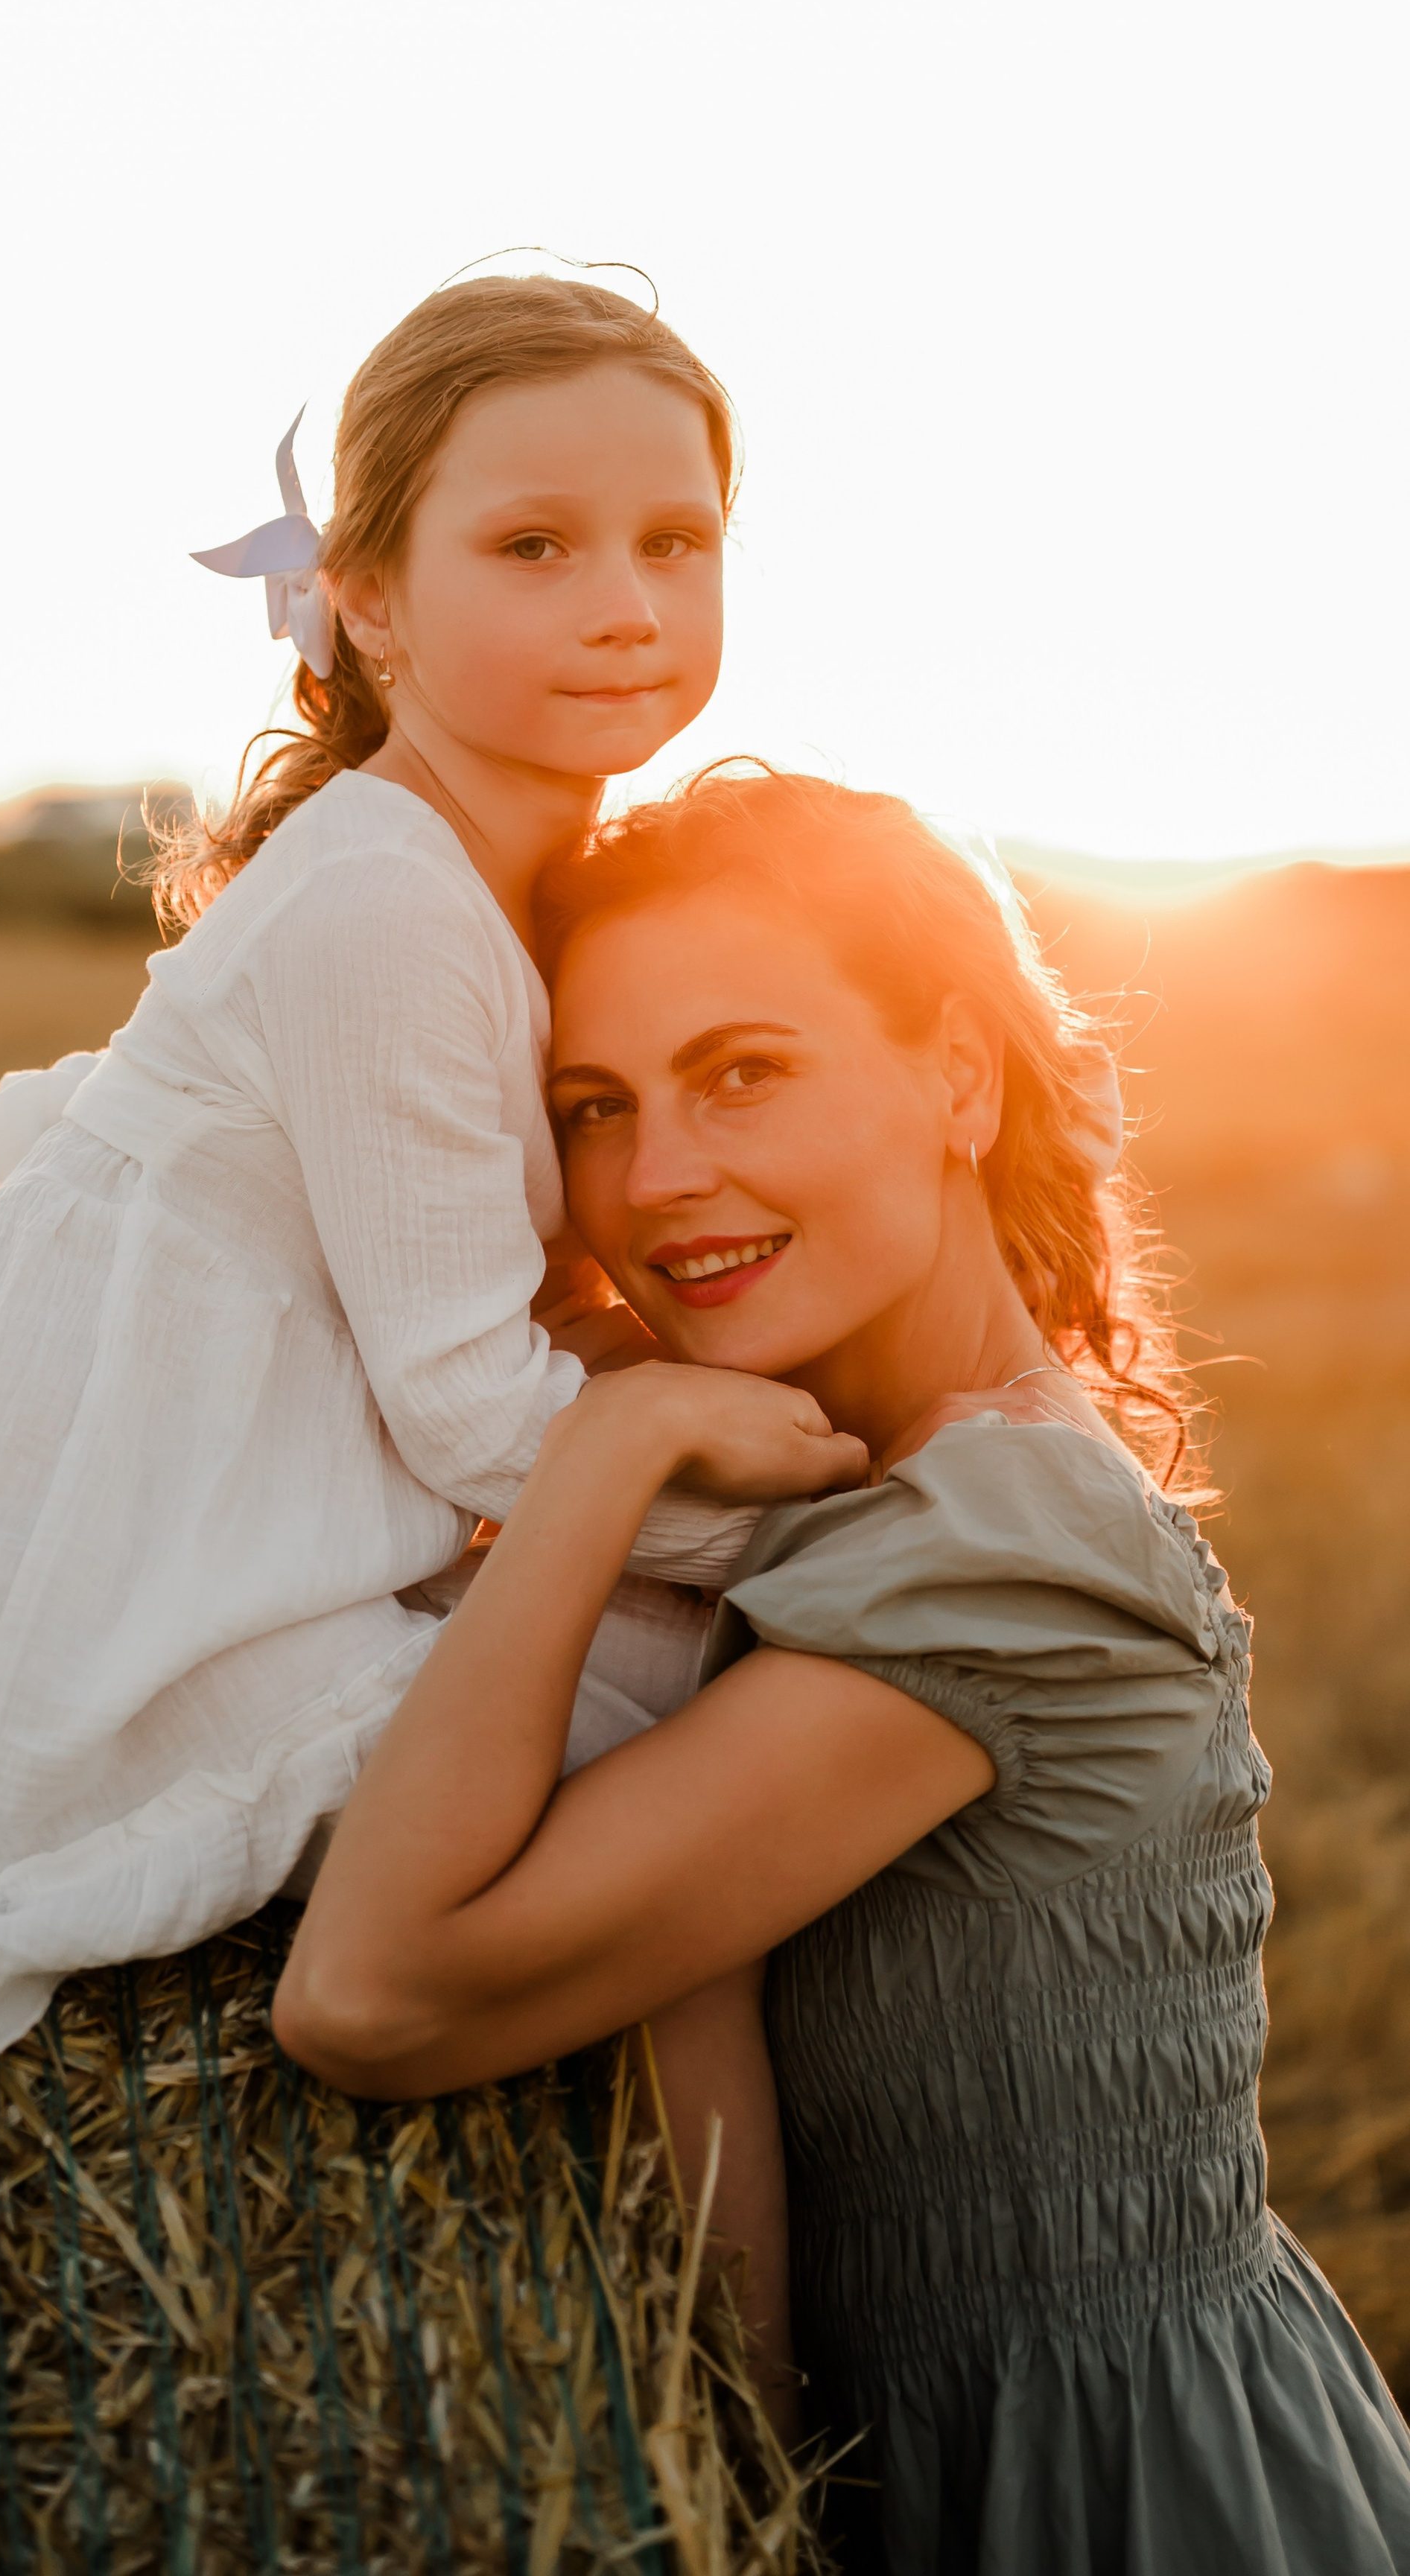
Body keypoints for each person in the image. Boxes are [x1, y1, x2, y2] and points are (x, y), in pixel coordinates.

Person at [0, 276, 864, 2070]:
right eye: (532, 546)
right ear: (367, 597)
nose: (623, 605)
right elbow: (471, 1412)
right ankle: (733, 2273)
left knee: (699, 1714)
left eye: (673, 541)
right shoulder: (383, 899)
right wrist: (817, 1530)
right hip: (145, 1599)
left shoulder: (487, 880)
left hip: (252, 1521)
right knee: (672, 1830)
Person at [273, 768, 1410, 2575]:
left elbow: (370, 1993)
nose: (657, 1179)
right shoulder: (851, 1491)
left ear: (957, 1075)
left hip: (1099, 2489)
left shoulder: (1000, 1542)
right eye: (593, 1106)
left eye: (741, 1071)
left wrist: (589, 1461)